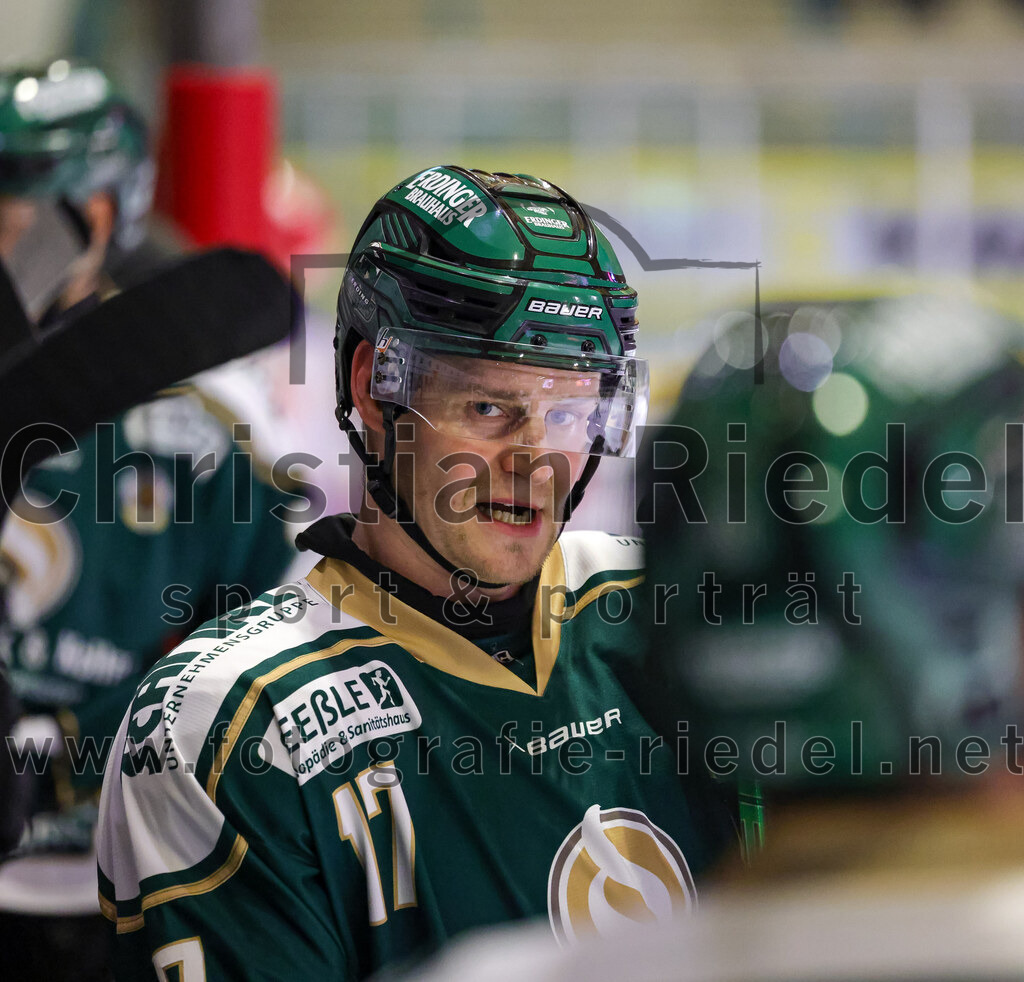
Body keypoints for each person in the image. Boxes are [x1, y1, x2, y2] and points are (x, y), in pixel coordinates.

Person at [97, 165, 737, 980]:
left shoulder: (669, 615)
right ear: (373, 386)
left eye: (572, 412)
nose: (537, 463)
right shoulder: (229, 724)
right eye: (489, 408)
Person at [0, 62, 299, 980]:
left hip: (118, 880)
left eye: (8, 194)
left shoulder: (209, 419)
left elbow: (272, 650)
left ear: (89, 218)